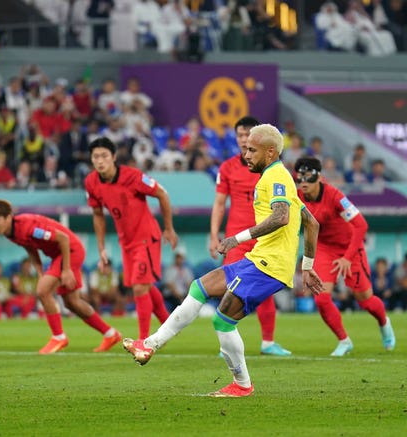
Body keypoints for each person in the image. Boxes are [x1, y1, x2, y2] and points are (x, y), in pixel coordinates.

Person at [123, 124, 324, 397]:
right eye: (245, 149)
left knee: (223, 320)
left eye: (253, 150)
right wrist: (307, 267)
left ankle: (241, 385)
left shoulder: (276, 177)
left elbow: (281, 217)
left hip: (268, 264)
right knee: (200, 287)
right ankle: (149, 345)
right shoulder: (278, 177)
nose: (247, 154)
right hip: (259, 259)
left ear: (271, 151)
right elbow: (311, 222)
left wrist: (235, 239)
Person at [0, 199, 122, 354]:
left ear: (8, 217)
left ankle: (58, 337)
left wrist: (67, 269)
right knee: (72, 302)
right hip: (60, 255)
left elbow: (63, 239)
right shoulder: (11, 232)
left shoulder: (29, 226)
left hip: (71, 250)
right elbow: (30, 248)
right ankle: (110, 334)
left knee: (42, 291)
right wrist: (40, 272)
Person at [295, 156, 396, 355]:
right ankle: (344, 340)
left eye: (308, 177)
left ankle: (384, 323)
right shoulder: (296, 197)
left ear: (319, 178)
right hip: (324, 249)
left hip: (350, 248)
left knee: (365, 300)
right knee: (321, 299)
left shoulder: (335, 195)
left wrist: (347, 257)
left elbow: (361, 225)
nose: (303, 182)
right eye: (300, 178)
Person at [209, 116, 292, 356]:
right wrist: (214, 234)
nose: (244, 140)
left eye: (248, 135)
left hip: (265, 237)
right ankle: (227, 341)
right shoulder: (227, 168)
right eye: (240, 136)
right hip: (236, 237)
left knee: (263, 289)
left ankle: (268, 341)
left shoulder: (270, 167)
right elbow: (219, 202)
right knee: (230, 287)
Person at [85, 136, 177, 340]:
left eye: (104, 156)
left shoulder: (133, 177)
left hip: (146, 237)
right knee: (145, 286)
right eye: (95, 156)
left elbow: (162, 194)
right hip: (126, 242)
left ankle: (143, 341)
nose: (100, 161)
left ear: (114, 157)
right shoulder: (91, 182)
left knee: (139, 286)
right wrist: (101, 248)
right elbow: (98, 215)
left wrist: (168, 228)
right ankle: (169, 324)